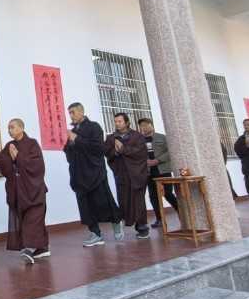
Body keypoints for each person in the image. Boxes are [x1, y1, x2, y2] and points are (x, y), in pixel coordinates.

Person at [63, 103, 123, 247]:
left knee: (103, 201)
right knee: (85, 205)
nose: (71, 115)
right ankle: (95, 233)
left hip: (94, 172)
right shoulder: (72, 132)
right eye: (69, 113)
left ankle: (116, 221)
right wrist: (70, 144)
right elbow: (67, 151)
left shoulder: (94, 127)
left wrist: (76, 139)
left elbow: (97, 148)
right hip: (79, 173)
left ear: (82, 112)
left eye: (73, 112)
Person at [0, 119, 50, 263]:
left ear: (21, 128)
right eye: (8, 128)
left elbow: (38, 166)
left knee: (33, 219)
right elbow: (2, 161)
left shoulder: (32, 144)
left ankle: (28, 249)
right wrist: (9, 159)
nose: (9, 130)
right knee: (29, 219)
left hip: (34, 189)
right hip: (18, 191)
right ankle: (42, 248)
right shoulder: (9, 145)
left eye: (12, 127)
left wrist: (18, 157)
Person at [104, 113, 150, 239]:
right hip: (122, 175)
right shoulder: (111, 138)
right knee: (124, 200)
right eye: (116, 121)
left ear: (127, 122)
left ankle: (142, 227)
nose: (117, 124)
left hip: (137, 174)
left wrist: (123, 149)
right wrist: (116, 151)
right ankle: (127, 221)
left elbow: (140, 152)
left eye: (120, 121)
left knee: (138, 201)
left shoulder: (137, 136)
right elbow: (107, 152)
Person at [137, 118, 179, 228]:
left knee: (168, 193)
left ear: (151, 125)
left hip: (163, 170)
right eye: (141, 126)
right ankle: (159, 219)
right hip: (149, 171)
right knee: (153, 196)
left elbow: (170, 151)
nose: (144, 127)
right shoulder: (139, 140)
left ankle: (181, 213)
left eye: (146, 125)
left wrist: (158, 160)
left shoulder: (162, 137)